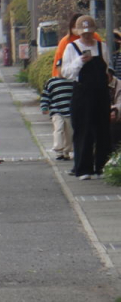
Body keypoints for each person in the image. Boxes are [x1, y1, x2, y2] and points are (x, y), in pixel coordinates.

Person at [60, 15, 111, 179]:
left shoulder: (102, 47)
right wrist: (80, 61)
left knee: (102, 130)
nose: (87, 36)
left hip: (101, 93)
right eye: (83, 33)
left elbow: (108, 67)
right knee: (83, 129)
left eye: (89, 33)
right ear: (78, 33)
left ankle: (101, 167)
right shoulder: (71, 48)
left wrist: (109, 75)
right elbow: (66, 72)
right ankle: (83, 169)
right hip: (82, 93)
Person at [40, 72, 75, 161]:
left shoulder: (72, 81)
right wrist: (44, 106)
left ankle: (66, 152)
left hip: (69, 111)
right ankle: (59, 151)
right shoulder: (51, 82)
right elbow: (45, 94)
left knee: (69, 133)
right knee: (58, 129)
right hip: (56, 111)